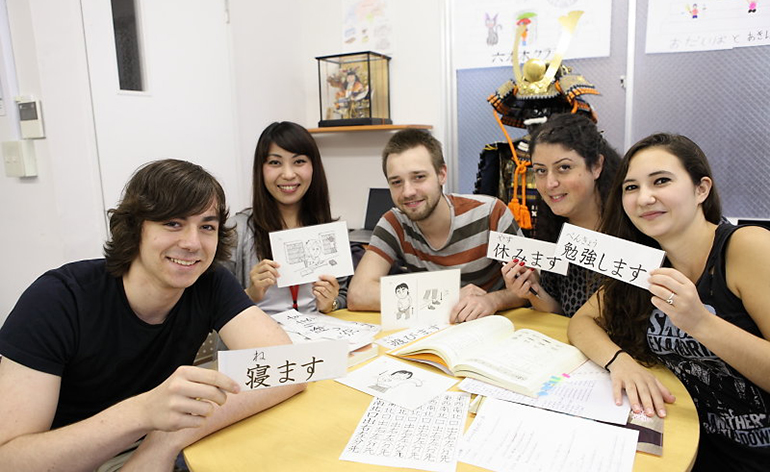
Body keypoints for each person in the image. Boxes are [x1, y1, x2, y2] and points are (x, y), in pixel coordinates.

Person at [0, 159, 304, 471]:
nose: (192, 243)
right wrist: (142, 413)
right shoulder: (58, 300)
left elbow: (288, 368)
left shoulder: (208, 282)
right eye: (173, 223)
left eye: (207, 227)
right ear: (134, 227)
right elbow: (8, 460)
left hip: (158, 445)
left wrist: (163, 440)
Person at [567, 134, 770, 471]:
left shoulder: (747, 247)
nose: (645, 198)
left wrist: (702, 323)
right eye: (631, 188)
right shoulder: (647, 261)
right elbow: (582, 322)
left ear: (701, 189)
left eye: (661, 181)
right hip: (682, 438)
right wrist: (620, 362)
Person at [348, 128, 526, 322]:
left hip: (493, 328)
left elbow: (531, 286)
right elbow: (358, 294)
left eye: (419, 177)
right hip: (433, 333)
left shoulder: (491, 213)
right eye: (397, 182)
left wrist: (494, 300)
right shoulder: (393, 223)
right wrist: (449, 297)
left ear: (442, 174)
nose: (407, 192)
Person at [501, 113, 621, 317]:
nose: (550, 184)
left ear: (596, 166)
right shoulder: (554, 228)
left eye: (564, 168)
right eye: (540, 171)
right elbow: (562, 313)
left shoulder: (631, 228)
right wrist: (531, 290)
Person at [225, 121, 346, 315]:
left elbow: (342, 295)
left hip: (317, 338)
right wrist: (250, 294)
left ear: (313, 167)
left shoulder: (327, 230)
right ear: (260, 169)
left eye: (299, 162)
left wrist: (331, 303)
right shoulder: (236, 230)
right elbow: (213, 305)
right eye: (275, 162)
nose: (288, 174)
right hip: (259, 340)